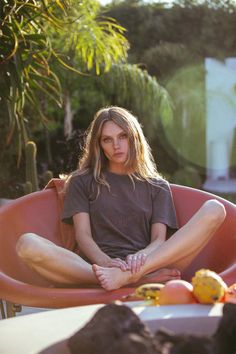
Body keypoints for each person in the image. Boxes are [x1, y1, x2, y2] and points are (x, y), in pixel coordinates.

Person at [16, 106, 226, 291]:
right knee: (27, 244)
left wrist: (140, 260)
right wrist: (106, 264)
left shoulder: (157, 186)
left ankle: (130, 276)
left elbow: (158, 241)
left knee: (215, 209)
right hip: (94, 267)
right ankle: (132, 280)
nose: (116, 145)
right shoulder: (82, 181)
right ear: (99, 145)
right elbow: (83, 236)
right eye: (108, 139)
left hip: (150, 262)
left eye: (122, 136)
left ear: (134, 137)